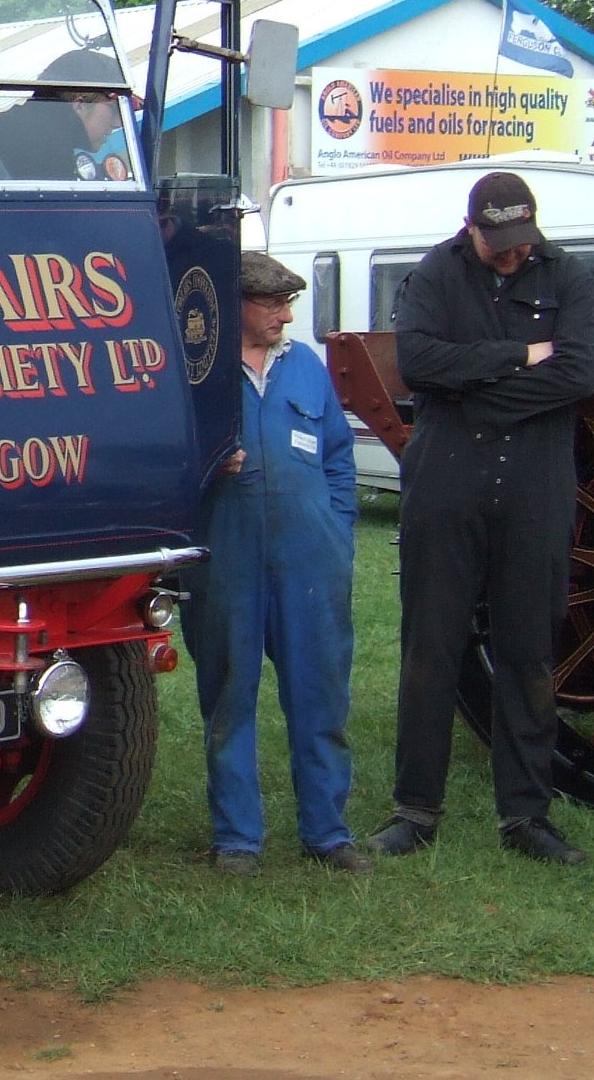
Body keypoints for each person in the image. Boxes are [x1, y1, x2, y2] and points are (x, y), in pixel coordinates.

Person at [368, 171, 594, 865]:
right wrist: (517, 356)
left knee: (527, 650)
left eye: (518, 241)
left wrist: (473, 392)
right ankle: (414, 809)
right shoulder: (435, 273)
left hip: (533, 484)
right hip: (447, 483)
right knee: (429, 645)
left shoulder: (570, 277)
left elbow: (579, 373)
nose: (509, 254)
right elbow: (416, 362)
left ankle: (525, 815)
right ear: (470, 228)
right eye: (495, 242)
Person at [183, 252, 366, 876]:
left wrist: (338, 531)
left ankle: (328, 833)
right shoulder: (199, 374)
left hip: (311, 561)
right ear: (237, 307)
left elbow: (339, 458)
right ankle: (238, 839)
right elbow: (166, 466)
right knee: (230, 697)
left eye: (288, 304)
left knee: (321, 697)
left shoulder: (306, 368)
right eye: (273, 305)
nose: (286, 316)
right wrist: (208, 467)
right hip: (226, 558)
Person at [0, 49, 127, 180]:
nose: (119, 122)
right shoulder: (48, 147)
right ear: (80, 103)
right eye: (114, 109)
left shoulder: (26, 126)